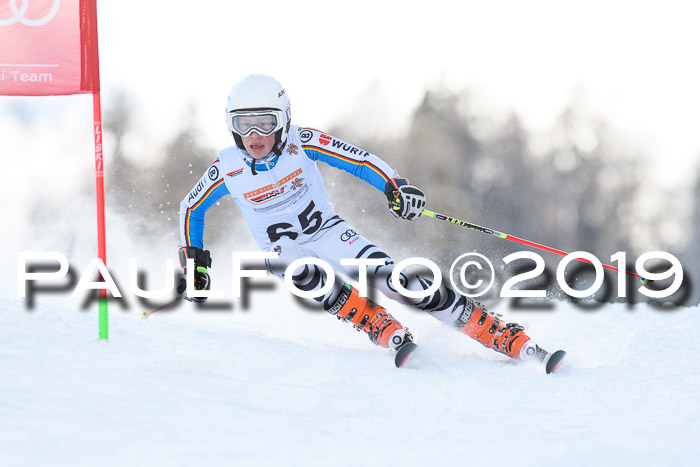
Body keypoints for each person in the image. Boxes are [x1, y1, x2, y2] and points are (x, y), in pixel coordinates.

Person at [177, 74, 552, 368]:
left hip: (328, 232)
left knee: (396, 282)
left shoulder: (301, 141)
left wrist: (394, 186)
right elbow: (191, 209)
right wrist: (194, 263)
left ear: (284, 119)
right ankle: (377, 323)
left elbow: (358, 160)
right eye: (243, 124)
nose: (254, 135)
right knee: (302, 270)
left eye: (264, 122)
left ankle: (495, 330)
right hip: (281, 251)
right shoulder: (228, 167)